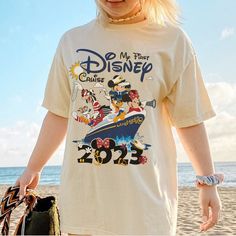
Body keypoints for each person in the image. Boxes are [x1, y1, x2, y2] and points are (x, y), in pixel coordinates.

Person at [14, 0, 223, 235]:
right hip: (85, 209)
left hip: (148, 210)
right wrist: (34, 167)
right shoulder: (72, 42)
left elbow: (190, 117)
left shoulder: (173, 41)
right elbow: (59, 113)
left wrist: (207, 182)